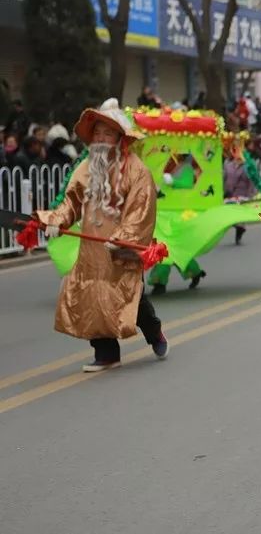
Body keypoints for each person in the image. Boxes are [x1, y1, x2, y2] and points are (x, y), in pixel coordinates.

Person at [35, 98, 168, 372]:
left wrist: (122, 237)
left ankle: (153, 331)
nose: (102, 138)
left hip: (120, 246)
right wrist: (56, 220)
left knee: (132, 295)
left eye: (108, 133)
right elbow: (71, 202)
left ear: (120, 137)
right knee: (92, 295)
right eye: (97, 133)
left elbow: (140, 209)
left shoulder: (136, 170)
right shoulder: (86, 168)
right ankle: (106, 353)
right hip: (91, 247)